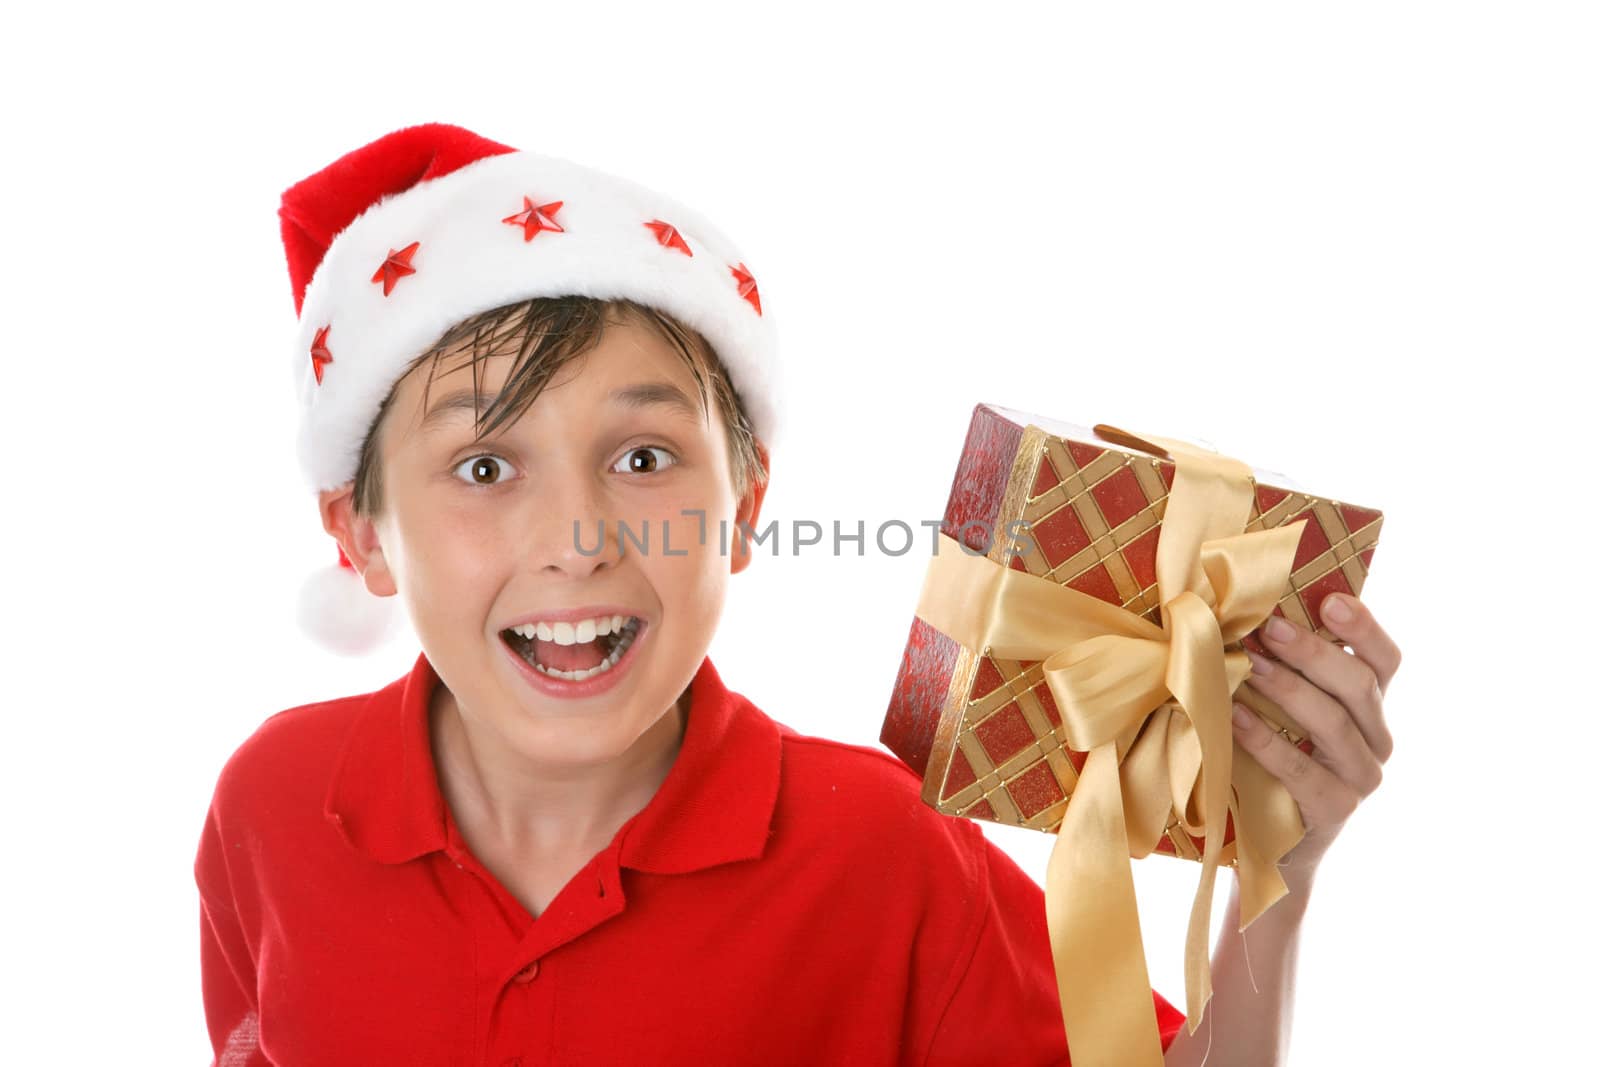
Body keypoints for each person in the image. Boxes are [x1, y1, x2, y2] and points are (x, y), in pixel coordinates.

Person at [194, 123, 1401, 1066]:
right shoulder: (271, 808)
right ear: (359, 533)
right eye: (484, 465)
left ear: (747, 505)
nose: (578, 538)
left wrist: (1272, 887)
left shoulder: (884, 855)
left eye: (643, 456)